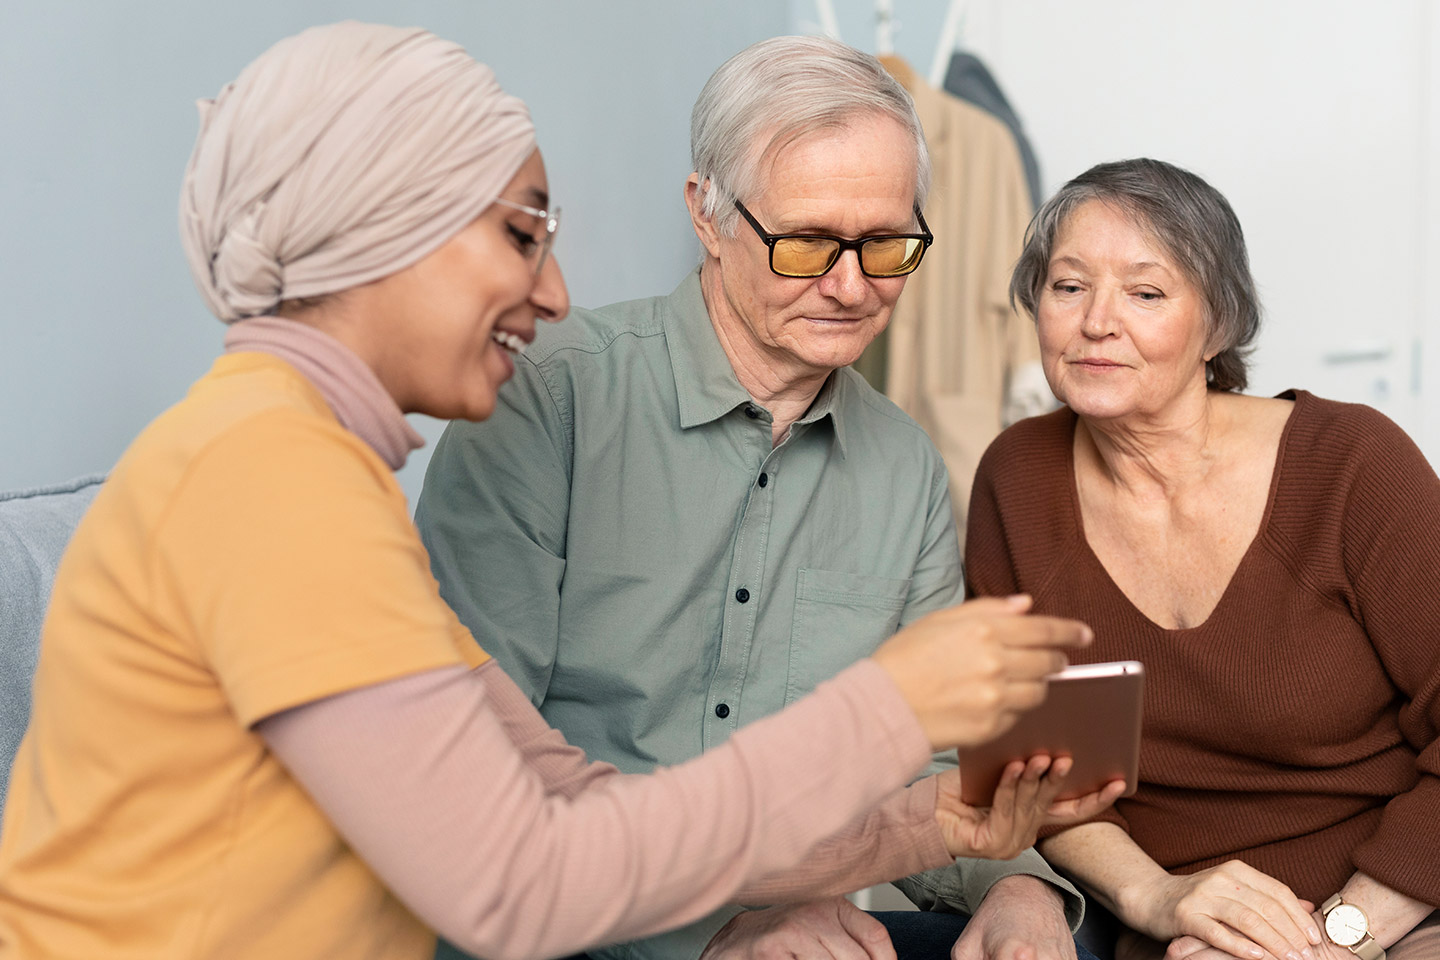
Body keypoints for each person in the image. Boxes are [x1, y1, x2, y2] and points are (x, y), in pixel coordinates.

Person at [0, 22, 1117, 960]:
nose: (557, 289)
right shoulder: (274, 480)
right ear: (385, 229)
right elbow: (522, 883)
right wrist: (889, 708)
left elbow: (575, 805)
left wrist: (946, 827)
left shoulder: (305, 464)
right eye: (522, 234)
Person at [417, 34, 1109, 960]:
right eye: (809, 243)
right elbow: (481, 777)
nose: (851, 286)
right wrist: (713, 931)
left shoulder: (902, 467)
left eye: (887, 245)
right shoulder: (546, 399)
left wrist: (1020, 888)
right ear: (707, 215)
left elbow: (934, 762)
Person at [966, 157, 1440, 960]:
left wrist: (1335, 939)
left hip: (1397, 907)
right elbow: (1039, 775)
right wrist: (1160, 899)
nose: (1096, 323)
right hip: (1175, 929)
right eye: (1068, 285)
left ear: (1217, 325)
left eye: (1145, 293)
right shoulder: (1019, 478)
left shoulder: (1353, 465)